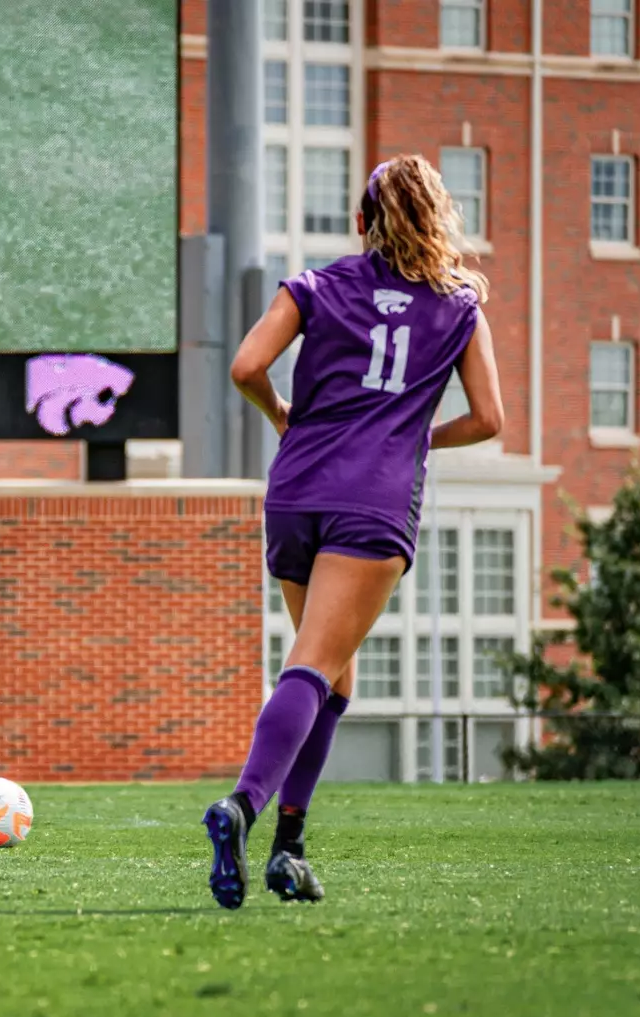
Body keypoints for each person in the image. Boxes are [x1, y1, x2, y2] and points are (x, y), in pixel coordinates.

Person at [204, 154, 505, 908]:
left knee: (333, 674)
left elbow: (245, 366)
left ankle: (288, 851)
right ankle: (241, 807)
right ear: (435, 218)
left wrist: (281, 414)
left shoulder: (317, 285)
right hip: (371, 501)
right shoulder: (459, 306)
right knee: (315, 663)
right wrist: (414, 438)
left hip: (296, 490)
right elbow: (489, 419)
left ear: (362, 221)